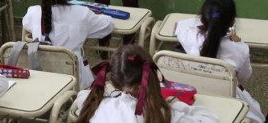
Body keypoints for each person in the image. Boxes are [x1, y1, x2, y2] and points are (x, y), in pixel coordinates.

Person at [175, 0, 265, 123]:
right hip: (228, 98)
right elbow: (245, 77)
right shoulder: (239, 49)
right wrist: (238, 43)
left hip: (195, 95)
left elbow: (180, 28)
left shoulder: (191, 37)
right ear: (232, 21)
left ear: (202, 19)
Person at [22, 0, 113, 89]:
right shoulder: (82, 14)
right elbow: (108, 25)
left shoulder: (33, 12)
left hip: (42, 80)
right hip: (75, 84)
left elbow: (26, 23)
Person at [76, 45, 218, 123]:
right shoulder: (164, 116)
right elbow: (211, 119)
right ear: (152, 76)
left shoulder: (95, 105)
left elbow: (82, 96)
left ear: (114, 80)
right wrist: (174, 105)